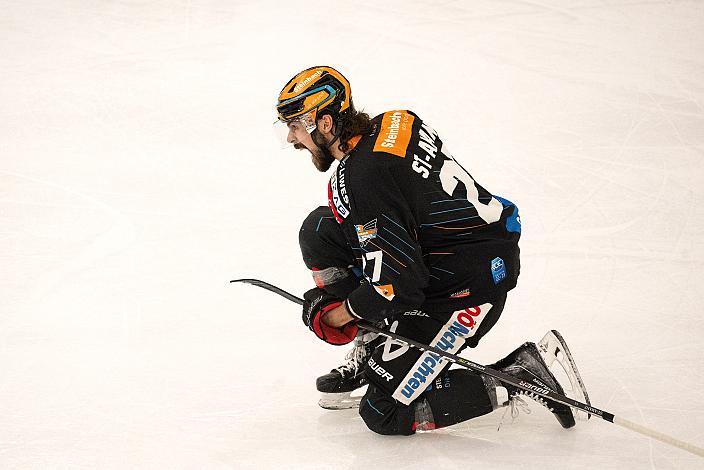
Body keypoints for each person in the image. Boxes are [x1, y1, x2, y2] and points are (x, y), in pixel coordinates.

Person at [277, 65, 588, 435]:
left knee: (383, 413)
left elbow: (397, 286)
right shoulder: (394, 121)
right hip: (459, 251)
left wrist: (336, 316)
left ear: (325, 123)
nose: (293, 139)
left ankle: (518, 376)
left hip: (468, 283)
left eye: (295, 126)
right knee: (321, 231)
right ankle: (378, 347)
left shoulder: (363, 179)